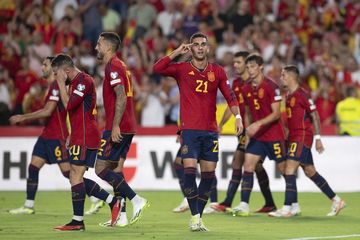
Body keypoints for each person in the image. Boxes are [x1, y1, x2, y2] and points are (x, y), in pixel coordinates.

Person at [153, 32, 243, 231]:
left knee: (209, 176)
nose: (200, 47)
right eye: (196, 44)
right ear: (191, 48)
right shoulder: (182, 69)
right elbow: (157, 68)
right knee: (190, 172)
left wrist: (237, 117)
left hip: (210, 131)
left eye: (203, 44)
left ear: (208, 48)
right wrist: (177, 51)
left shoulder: (217, 71)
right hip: (190, 131)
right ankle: (195, 216)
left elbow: (230, 97)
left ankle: (197, 216)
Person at [51, 54, 121, 231]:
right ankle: (111, 202)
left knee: (75, 175)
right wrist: (71, 134)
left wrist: (60, 83)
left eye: (56, 73)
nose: (55, 77)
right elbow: (75, 114)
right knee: (76, 176)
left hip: (85, 136)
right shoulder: (74, 83)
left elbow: (69, 106)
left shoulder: (84, 81)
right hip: (79, 135)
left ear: (66, 70)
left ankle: (78, 221)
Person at [269, 65, 346, 217]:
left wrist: (318, 138)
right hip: (294, 137)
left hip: (302, 136)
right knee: (310, 171)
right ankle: (336, 200)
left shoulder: (302, 94)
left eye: (283, 75)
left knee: (289, 169)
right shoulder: (289, 95)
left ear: (291, 77)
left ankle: (287, 208)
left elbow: (315, 115)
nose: (281, 78)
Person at [94, 32, 149, 227]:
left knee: (100, 169)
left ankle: (136, 200)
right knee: (116, 169)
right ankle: (121, 216)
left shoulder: (113, 66)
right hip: (128, 125)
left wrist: (115, 124)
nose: (96, 47)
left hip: (119, 126)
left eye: (99, 44)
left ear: (108, 47)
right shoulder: (121, 65)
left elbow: (121, 96)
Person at [211, 51, 277, 214]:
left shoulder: (255, 84)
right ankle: (268, 203)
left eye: (239, 62)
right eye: (235, 62)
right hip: (247, 131)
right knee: (254, 166)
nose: (236, 65)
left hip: (259, 131)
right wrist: (221, 124)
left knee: (240, 162)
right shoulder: (237, 83)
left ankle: (228, 202)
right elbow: (232, 106)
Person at [8, 56, 71, 215]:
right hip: (46, 135)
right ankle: (29, 205)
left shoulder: (57, 86)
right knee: (33, 166)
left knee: (69, 173)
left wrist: (23, 117)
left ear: (53, 67)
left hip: (58, 136)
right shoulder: (49, 87)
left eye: (45, 65)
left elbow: (48, 111)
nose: (42, 67)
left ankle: (96, 198)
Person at [232, 54, 289, 217]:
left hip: (274, 134)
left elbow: (276, 114)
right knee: (248, 165)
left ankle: (291, 204)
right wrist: (249, 128)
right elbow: (248, 112)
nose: (249, 70)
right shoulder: (246, 87)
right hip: (257, 136)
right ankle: (243, 204)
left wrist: (258, 124)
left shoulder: (271, 86)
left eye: (252, 67)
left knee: (284, 169)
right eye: (248, 67)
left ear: (261, 67)